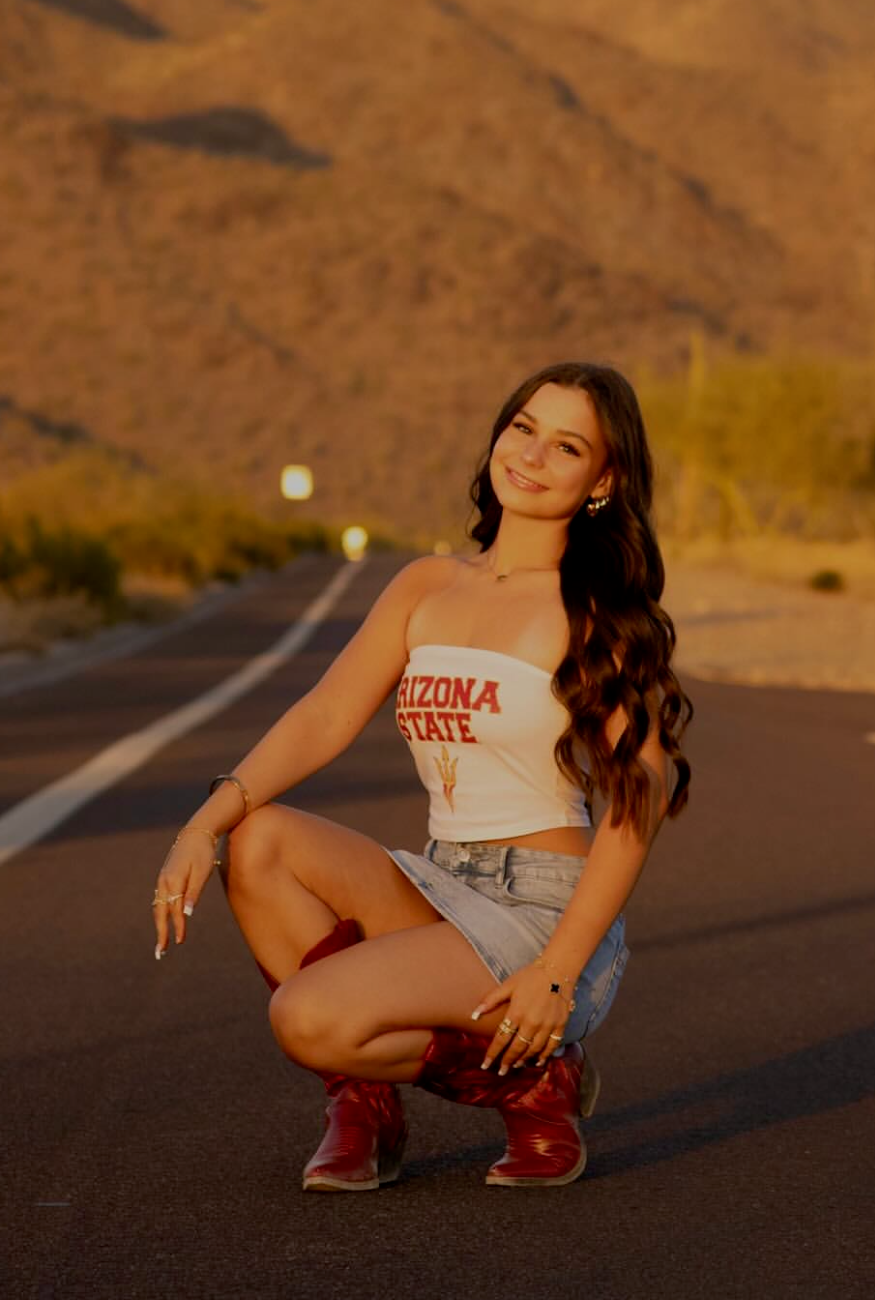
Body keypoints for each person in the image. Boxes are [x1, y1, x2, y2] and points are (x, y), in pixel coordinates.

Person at [150, 360, 694, 1189]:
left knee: (305, 1017)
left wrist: (557, 972)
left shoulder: (594, 612)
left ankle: (535, 1073)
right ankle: (372, 1102)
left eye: (566, 446)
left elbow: (635, 802)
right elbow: (326, 714)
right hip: (444, 882)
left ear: (603, 480)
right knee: (257, 839)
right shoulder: (426, 584)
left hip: (544, 912)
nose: (532, 454)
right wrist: (203, 823)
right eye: (523, 427)